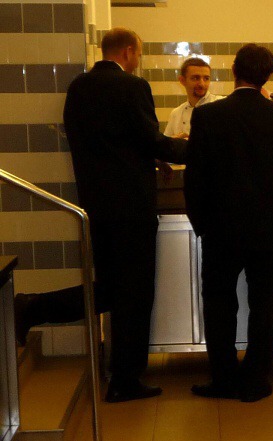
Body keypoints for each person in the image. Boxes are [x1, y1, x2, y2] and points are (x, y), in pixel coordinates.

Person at [14, 27, 187, 403]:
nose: (138, 60)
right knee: (134, 294)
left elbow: (111, 143)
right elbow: (149, 139)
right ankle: (126, 378)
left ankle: (33, 307)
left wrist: (150, 154)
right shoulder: (133, 87)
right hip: (132, 209)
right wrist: (190, 149)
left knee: (111, 289)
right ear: (129, 51)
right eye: (138, 54)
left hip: (96, 207)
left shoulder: (78, 88)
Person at [184, 44, 273, 403]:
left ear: (235, 70)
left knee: (220, 305)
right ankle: (255, 380)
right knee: (265, 307)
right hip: (272, 230)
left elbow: (195, 178)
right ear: (267, 76)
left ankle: (222, 378)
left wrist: (201, 224)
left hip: (222, 230)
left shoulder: (208, 116)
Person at [163, 57, 223, 138]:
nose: (202, 84)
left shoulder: (221, 105)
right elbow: (166, 143)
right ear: (182, 80)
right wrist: (176, 140)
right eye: (196, 78)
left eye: (206, 78)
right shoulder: (176, 113)